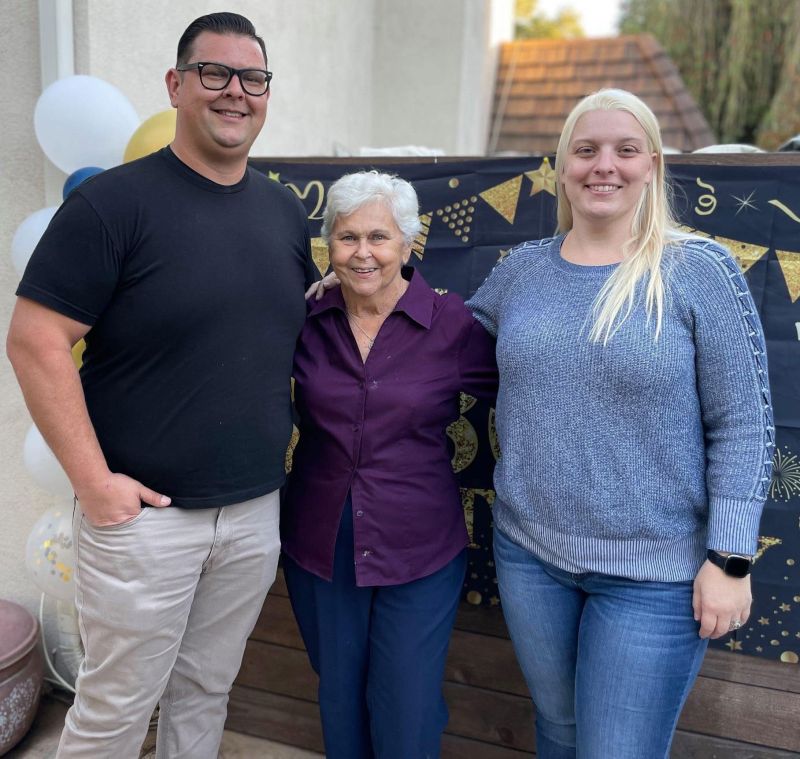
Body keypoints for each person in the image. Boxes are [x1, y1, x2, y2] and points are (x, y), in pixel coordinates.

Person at [7, 12, 316, 758]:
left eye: (253, 78)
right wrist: (96, 486)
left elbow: (272, 330)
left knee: (205, 693)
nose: (234, 92)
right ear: (177, 85)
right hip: (144, 521)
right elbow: (34, 341)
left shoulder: (281, 211)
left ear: (267, 93)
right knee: (115, 709)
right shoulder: (112, 205)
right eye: (215, 73)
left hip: (249, 511)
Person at [466, 89, 774, 759]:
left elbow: (744, 424)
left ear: (652, 166)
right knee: (560, 731)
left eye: (625, 150)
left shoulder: (698, 270)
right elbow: (436, 343)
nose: (604, 165)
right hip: (530, 555)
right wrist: (358, 290)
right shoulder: (522, 272)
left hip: (655, 574)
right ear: (563, 166)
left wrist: (730, 557)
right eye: (586, 149)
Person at [282, 170, 497, 759]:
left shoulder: (451, 324)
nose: (363, 253)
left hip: (419, 546)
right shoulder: (305, 316)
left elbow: (527, 395)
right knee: (340, 698)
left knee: (406, 706)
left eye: (379, 237)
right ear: (329, 246)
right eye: (347, 238)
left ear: (408, 243)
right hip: (319, 543)